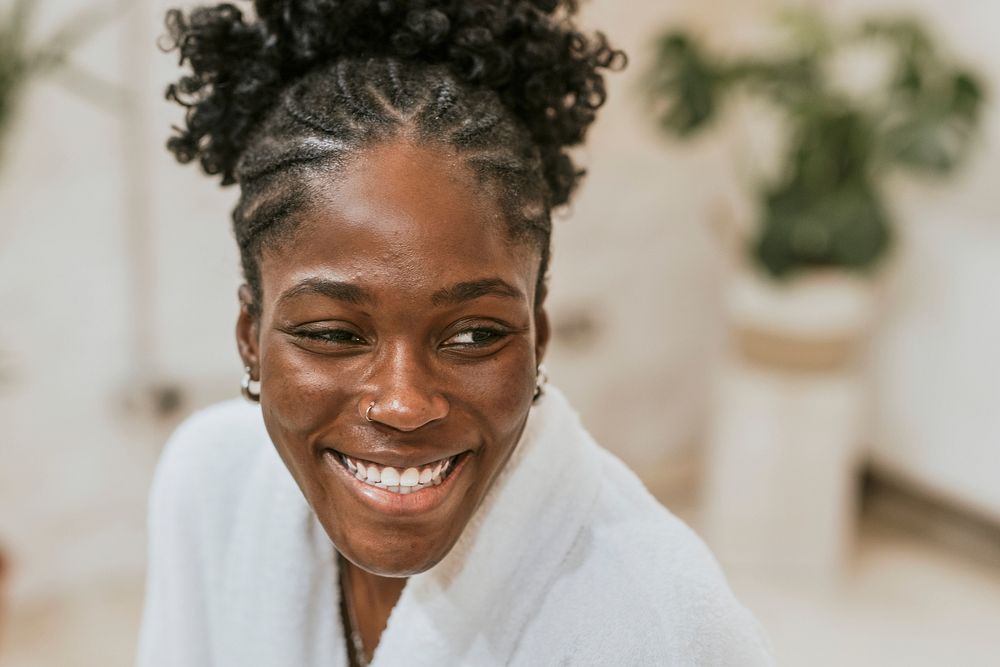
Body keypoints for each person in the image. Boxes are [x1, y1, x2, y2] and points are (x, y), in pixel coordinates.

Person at [138, 1, 774, 665]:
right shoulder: (211, 482)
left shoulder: (661, 625)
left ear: (540, 336)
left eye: (474, 335)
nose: (403, 403)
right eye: (333, 333)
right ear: (250, 336)